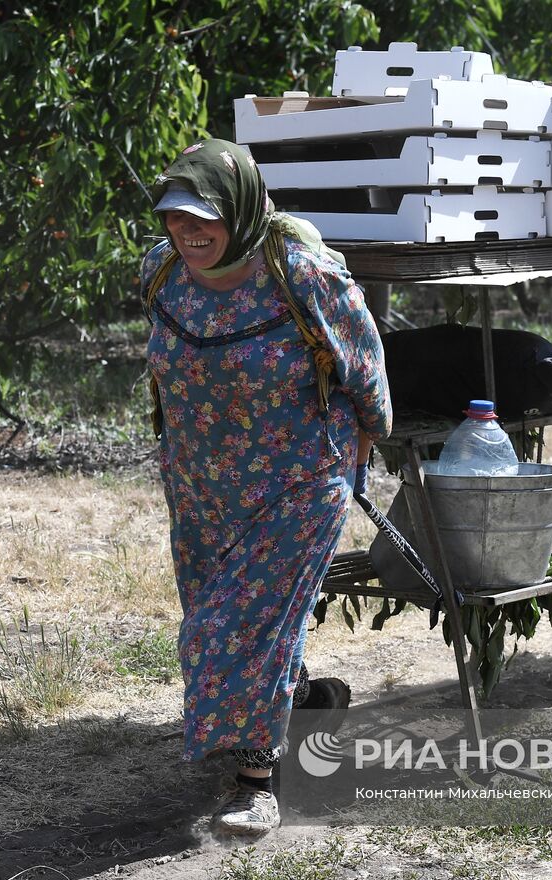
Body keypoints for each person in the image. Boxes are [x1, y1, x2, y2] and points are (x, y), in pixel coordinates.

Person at [141, 139, 391, 837]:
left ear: (242, 211)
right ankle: (312, 700)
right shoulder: (162, 273)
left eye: (204, 216)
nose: (188, 231)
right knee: (228, 620)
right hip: (201, 484)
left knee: (236, 627)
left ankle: (256, 783)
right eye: (175, 215)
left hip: (301, 477)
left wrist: (368, 441)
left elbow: (365, 363)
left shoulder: (299, 275)